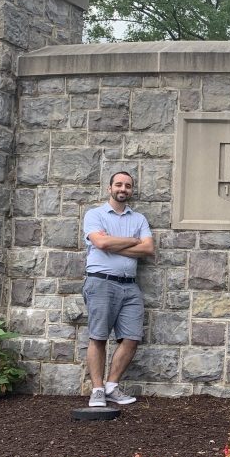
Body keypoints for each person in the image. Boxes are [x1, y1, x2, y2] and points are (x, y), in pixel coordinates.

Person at [82, 171, 155, 407]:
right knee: (99, 336)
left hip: (129, 286)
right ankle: (97, 390)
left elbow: (148, 249)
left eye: (128, 186)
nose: (123, 189)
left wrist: (115, 243)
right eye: (119, 184)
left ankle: (112, 386)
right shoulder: (95, 214)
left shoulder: (139, 219)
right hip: (101, 282)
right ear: (109, 188)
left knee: (132, 337)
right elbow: (100, 242)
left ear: (132, 190)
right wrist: (133, 241)